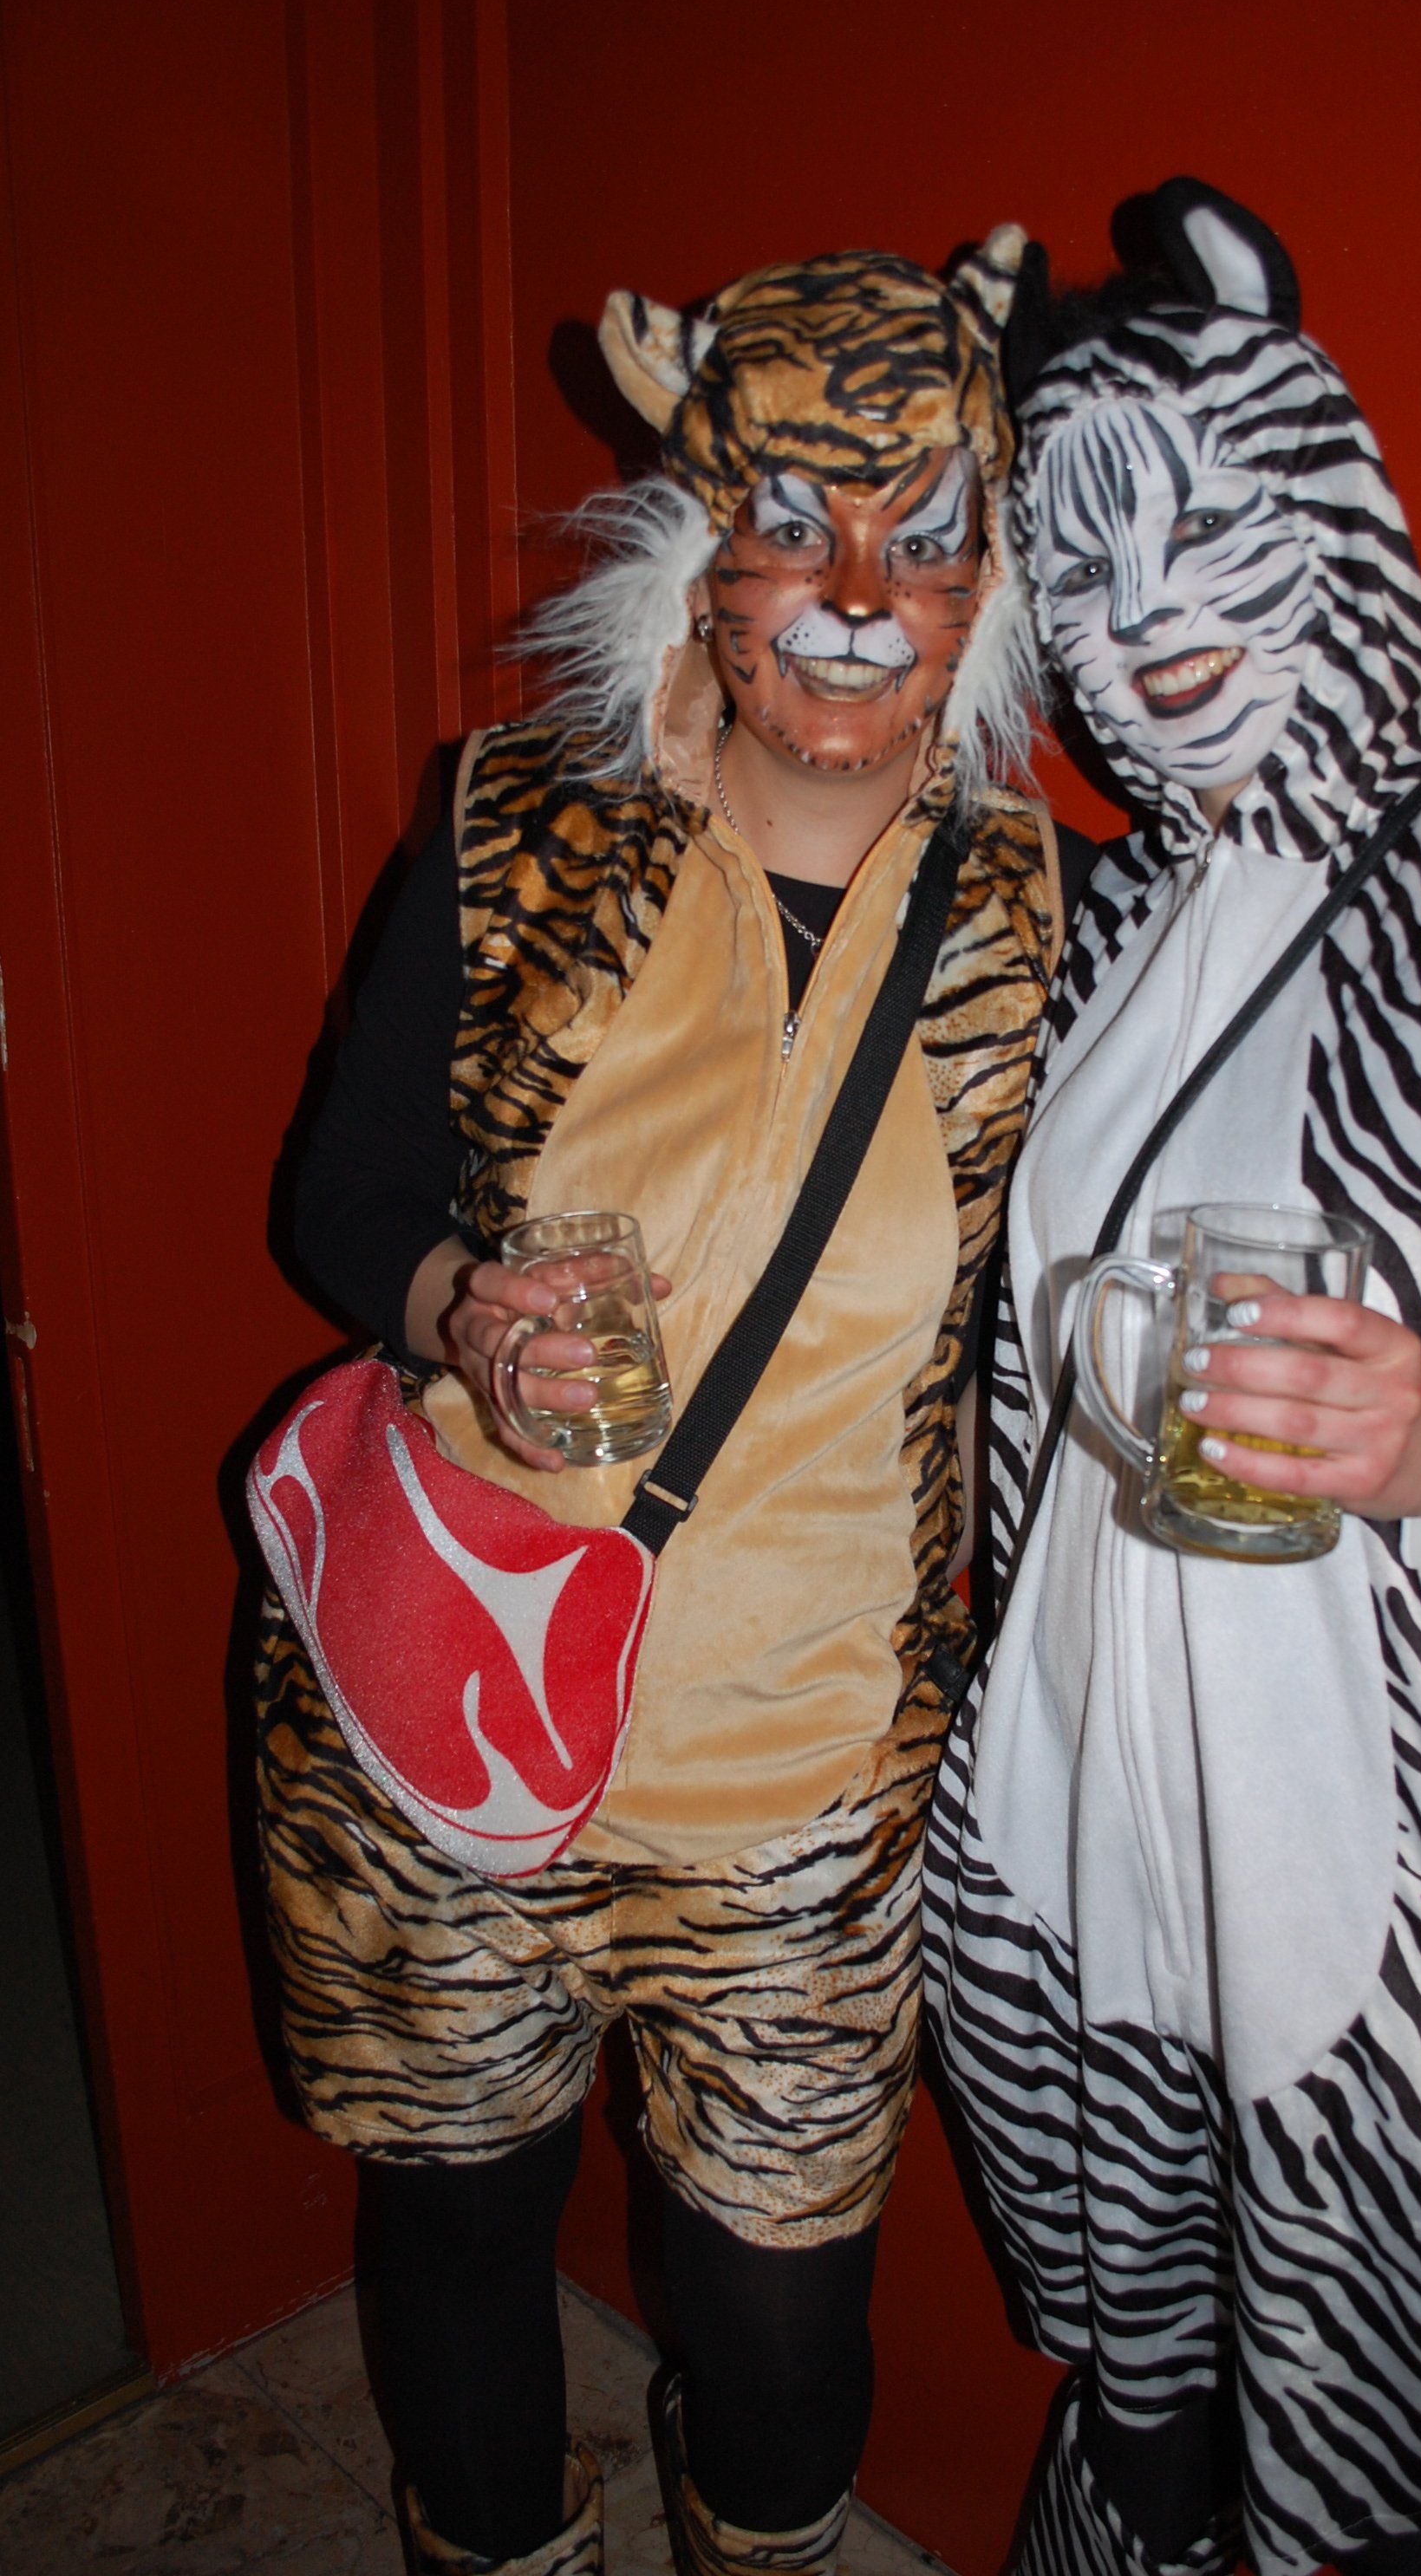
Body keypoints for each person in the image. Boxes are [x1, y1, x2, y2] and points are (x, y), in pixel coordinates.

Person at [923, 179, 1421, 2576]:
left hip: (1389, 1867)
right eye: (1081, 569)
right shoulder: (1069, 935)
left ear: (1324, 502)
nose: (1144, 615)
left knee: (1391, 2482)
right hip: (1089, 1812)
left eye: (1197, 525)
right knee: (1154, 2425)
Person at [260, 231, 1088, 2576]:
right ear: (700, 545)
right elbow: (338, 1196)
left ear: (989, 572)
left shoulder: (1039, 910)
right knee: (457, 2231)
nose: (856, 598)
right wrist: (461, 1307)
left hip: (801, 1755)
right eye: (790, 526)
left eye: (922, 536)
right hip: (456, 1711)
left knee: (781, 2317)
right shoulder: (521, 818)